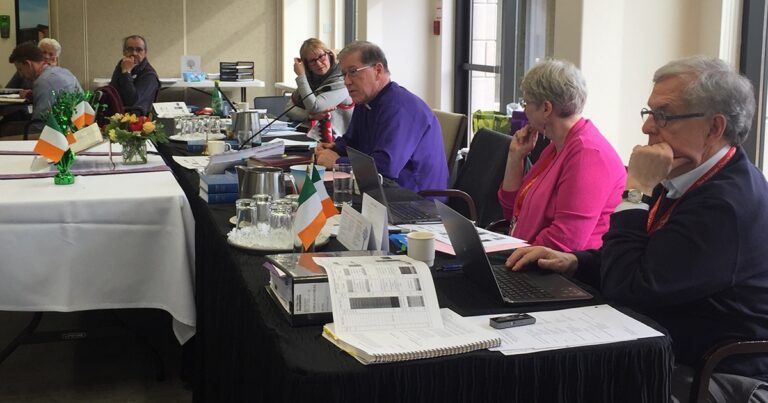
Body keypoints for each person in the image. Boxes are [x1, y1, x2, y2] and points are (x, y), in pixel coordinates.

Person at [506, 56, 768, 403]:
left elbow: (629, 287)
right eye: (649, 113)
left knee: (541, 377)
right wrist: (576, 262)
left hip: (713, 374)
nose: (648, 128)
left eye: (664, 116)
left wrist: (637, 189)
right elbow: (647, 256)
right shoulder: (689, 174)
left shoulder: (725, 204)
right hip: (662, 341)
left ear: (714, 127)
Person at [498, 59, 626, 251]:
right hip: (530, 256)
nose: (524, 111)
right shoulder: (556, 146)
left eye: (526, 103)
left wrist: (512, 259)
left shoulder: (588, 154)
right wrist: (515, 157)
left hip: (563, 274)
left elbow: (565, 241)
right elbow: (512, 211)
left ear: (547, 109)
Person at [315, 41, 448, 193]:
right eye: (344, 74)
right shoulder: (366, 100)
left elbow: (386, 167)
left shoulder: (400, 108)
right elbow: (353, 143)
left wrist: (337, 161)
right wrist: (333, 148)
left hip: (415, 201)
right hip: (381, 190)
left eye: (353, 72)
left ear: (378, 70)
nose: (346, 81)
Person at [6, 42, 81, 134]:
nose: (20, 74)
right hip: (77, 129)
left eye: (20, 69)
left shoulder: (43, 82)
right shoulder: (64, 72)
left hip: (58, 136)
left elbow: (38, 126)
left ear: (28, 64)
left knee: (4, 129)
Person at [285, 38, 353, 140]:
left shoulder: (343, 79)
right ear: (306, 65)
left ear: (329, 55)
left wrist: (301, 76)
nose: (319, 64)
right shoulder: (309, 80)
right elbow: (289, 109)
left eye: (321, 57)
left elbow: (315, 106)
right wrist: (310, 116)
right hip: (312, 137)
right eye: (312, 61)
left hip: (340, 143)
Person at [108, 35, 159, 115]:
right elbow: (112, 91)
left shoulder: (149, 75)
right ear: (124, 52)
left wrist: (126, 72)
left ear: (145, 53)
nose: (134, 53)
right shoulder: (122, 65)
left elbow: (132, 102)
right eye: (130, 49)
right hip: (116, 115)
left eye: (139, 50)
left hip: (136, 121)